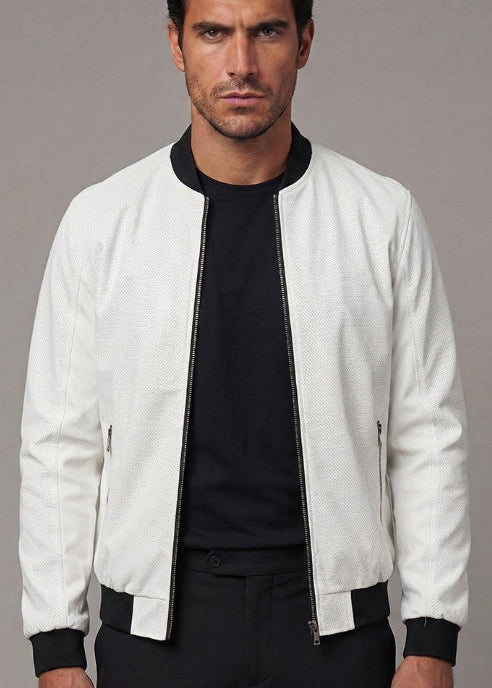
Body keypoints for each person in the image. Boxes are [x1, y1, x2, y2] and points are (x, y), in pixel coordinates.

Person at [18, 1, 471, 687]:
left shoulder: (382, 218)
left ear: (304, 42)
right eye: (213, 32)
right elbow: (59, 444)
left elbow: (429, 436)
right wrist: (56, 647)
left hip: (337, 637)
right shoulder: (101, 224)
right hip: (157, 639)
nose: (241, 64)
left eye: (266, 31)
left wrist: (433, 637)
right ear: (177, 44)